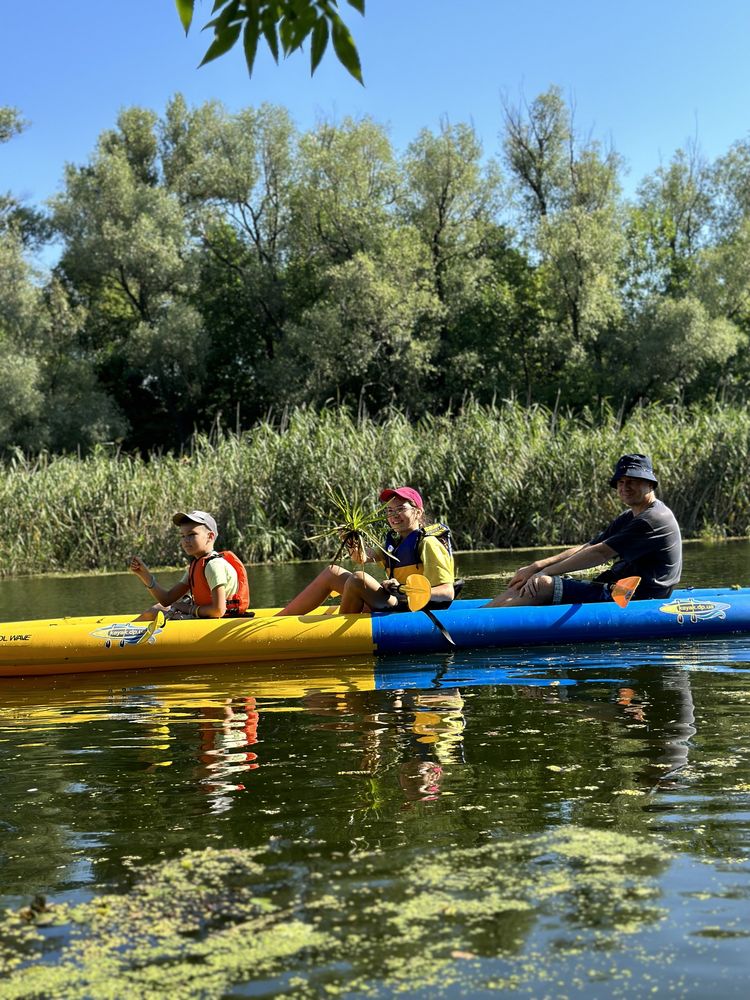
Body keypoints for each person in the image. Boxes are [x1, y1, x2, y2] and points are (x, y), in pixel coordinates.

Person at [486, 454, 682, 607]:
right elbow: (590, 546)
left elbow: (600, 553)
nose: (625, 486)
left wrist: (545, 574)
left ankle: (479, 626)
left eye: (632, 480)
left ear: (650, 483)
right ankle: (476, 617)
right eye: (621, 482)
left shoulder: (653, 519)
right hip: (618, 589)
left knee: (542, 585)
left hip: (636, 596)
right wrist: (535, 567)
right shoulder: (630, 517)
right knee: (530, 581)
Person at [278, 487, 455, 615]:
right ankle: (279, 621)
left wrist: (402, 589)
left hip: (409, 606)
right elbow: (361, 558)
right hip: (393, 598)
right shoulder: (393, 543)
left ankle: (340, 630)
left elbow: (447, 592)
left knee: (358, 579)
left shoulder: (429, 543)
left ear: (418, 512)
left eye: (401, 509)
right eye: (390, 510)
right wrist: (351, 540)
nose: (394, 515)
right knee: (333, 571)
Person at [129, 510, 249, 620]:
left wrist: (186, 609)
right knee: (158, 608)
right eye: (183, 536)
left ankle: (121, 638)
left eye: (191, 534)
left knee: (155, 612)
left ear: (210, 536)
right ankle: (123, 635)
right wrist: (145, 575)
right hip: (204, 617)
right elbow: (167, 599)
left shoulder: (214, 566)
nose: (186, 540)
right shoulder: (197, 565)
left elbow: (218, 610)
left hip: (218, 622)